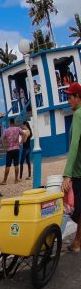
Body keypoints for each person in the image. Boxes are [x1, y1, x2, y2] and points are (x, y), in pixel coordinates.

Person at [62, 82, 81, 253]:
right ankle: (77, 242)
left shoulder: (77, 115)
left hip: (78, 172)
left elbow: (75, 143)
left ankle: (77, 242)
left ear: (77, 97)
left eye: (70, 97)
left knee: (73, 208)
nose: (68, 101)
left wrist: (67, 174)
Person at [1, 118, 23, 184]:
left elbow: (2, 139)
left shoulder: (6, 130)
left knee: (8, 165)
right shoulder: (18, 129)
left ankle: (4, 180)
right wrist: (20, 142)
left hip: (9, 149)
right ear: (14, 122)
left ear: (10, 122)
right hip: (16, 148)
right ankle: (16, 179)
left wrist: (4, 147)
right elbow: (23, 134)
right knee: (16, 164)